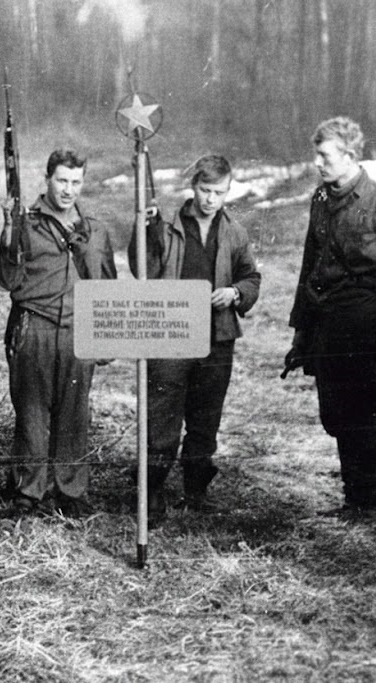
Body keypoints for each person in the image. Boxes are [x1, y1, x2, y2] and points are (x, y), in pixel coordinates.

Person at [285, 116, 376, 518]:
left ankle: (374, 503)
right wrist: (301, 331)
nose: (318, 163)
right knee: (336, 412)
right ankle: (355, 498)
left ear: (351, 156)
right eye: (316, 154)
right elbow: (310, 264)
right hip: (326, 322)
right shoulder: (321, 199)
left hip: (365, 326)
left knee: (366, 412)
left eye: (325, 155)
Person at [128, 155, 261, 522]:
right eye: (205, 190)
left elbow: (251, 277)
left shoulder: (234, 231)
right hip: (170, 334)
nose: (210, 200)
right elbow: (143, 268)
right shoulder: (168, 225)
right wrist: (144, 231)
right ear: (194, 188)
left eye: (219, 192)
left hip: (217, 339)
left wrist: (235, 293)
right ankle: (151, 491)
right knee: (162, 418)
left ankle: (196, 491)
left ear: (228, 191)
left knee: (206, 421)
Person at [0, 148, 116, 518]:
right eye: (62, 180)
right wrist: (8, 232)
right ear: (47, 179)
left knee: (75, 414)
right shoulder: (26, 224)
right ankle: (28, 491)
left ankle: (71, 490)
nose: (68, 190)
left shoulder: (94, 230)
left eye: (76, 182)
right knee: (31, 414)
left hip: (79, 331)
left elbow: (106, 285)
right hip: (35, 328)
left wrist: (106, 337)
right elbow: (7, 278)